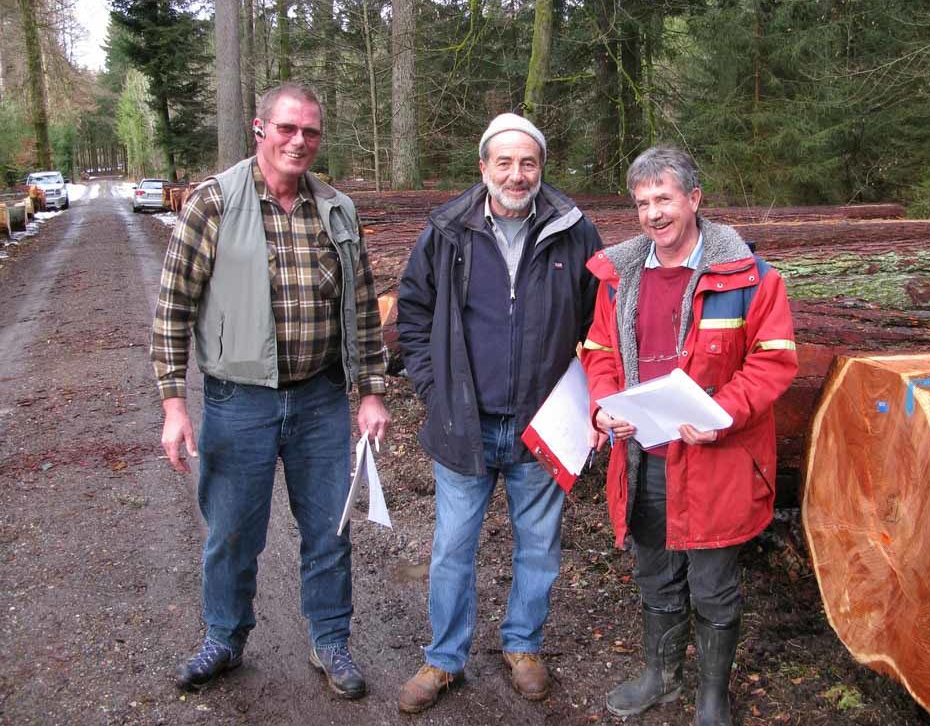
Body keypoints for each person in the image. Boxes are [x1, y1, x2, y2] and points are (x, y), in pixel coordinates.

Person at [151, 82, 390, 698]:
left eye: (310, 131)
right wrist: (174, 405)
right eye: (287, 128)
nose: (298, 141)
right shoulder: (214, 202)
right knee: (232, 532)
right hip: (239, 401)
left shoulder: (337, 209)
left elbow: (364, 309)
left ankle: (330, 640)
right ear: (260, 129)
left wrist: (370, 391)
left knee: (330, 530)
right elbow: (173, 308)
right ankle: (224, 638)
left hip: (319, 398)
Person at [580, 146, 797, 724]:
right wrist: (604, 405)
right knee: (655, 574)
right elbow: (598, 351)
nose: (653, 213)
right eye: (642, 202)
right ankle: (661, 677)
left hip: (715, 459)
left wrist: (720, 413)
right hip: (644, 455)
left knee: (713, 585)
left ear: (694, 199)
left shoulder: (750, 277)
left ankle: (711, 698)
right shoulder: (618, 278)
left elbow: (773, 360)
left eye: (664, 199)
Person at [395, 113, 603, 713]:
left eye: (528, 163)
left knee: (538, 544)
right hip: (465, 421)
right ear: (483, 167)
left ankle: (523, 645)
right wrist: (433, 388)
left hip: (542, 422)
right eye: (505, 162)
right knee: (452, 547)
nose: (517, 175)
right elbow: (413, 311)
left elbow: (600, 322)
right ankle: (443, 657)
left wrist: (588, 399)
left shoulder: (573, 231)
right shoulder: (447, 231)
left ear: (541, 168)